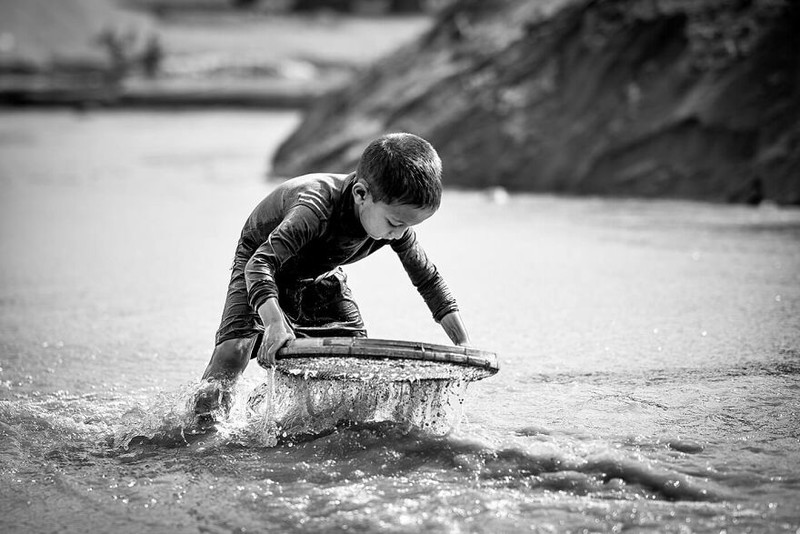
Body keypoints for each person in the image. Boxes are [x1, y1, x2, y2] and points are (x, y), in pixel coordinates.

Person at [194, 133, 471, 419]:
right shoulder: (315, 207)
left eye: (408, 226)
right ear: (361, 194)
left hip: (320, 273)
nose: (399, 234)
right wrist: (275, 324)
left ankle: (263, 404)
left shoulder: (394, 224)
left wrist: (462, 344)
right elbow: (259, 264)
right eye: (394, 223)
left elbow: (428, 280)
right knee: (234, 352)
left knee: (354, 361)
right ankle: (199, 433)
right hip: (261, 263)